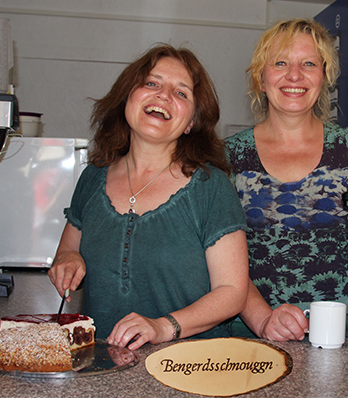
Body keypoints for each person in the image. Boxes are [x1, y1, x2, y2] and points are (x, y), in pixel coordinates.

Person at [225, 19, 348, 341]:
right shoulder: (227, 157)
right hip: (256, 335)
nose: (295, 75)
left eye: (309, 63)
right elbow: (219, 264)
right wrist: (262, 319)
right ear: (260, 79)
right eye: (280, 63)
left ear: (324, 77)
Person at [48, 44, 249, 350]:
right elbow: (67, 250)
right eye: (152, 83)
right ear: (127, 96)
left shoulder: (211, 186)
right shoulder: (93, 176)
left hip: (189, 366)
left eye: (181, 93)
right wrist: (67, 260)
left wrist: (162, 327)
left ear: (192, 122)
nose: (164, 95)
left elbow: (232, 292)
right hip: (101, 365)